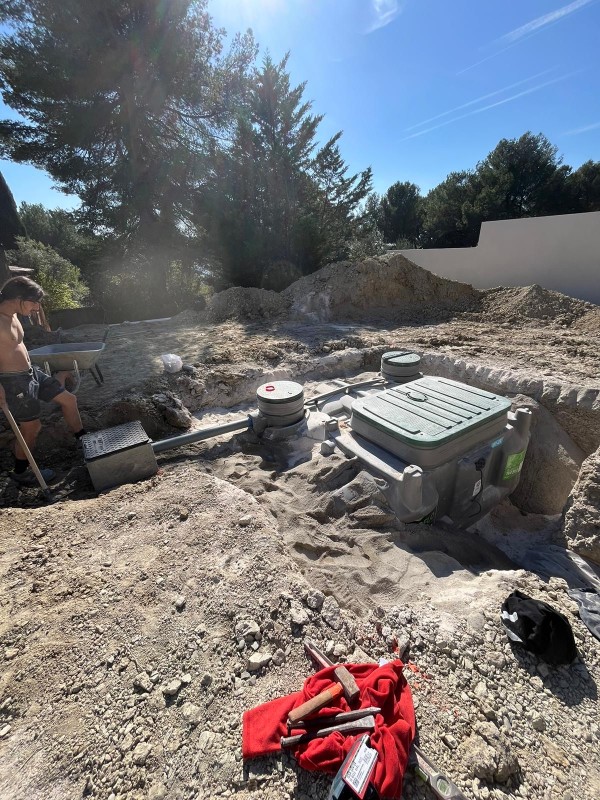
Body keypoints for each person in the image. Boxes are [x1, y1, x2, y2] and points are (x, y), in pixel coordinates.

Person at [0, 276, 86, 485]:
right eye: (34, 302)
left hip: (32, 373)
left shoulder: (13, 315)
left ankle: (85, 443)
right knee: (32, 428)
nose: (37, 307)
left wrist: (20, 279)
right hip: (13, 383)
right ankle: (20, 472)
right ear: (19, 298)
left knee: (69, 400)